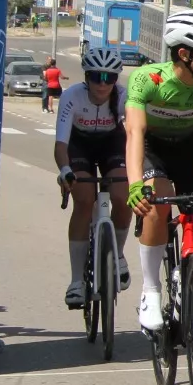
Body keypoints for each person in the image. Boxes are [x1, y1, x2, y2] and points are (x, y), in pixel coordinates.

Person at [125, 10, 193, 332]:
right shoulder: (148, 79)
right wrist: (135, 184)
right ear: (184, 54)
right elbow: (135, 133)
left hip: (189, 145)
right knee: (156, 205)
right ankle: (150, 290)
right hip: (152, 147)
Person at [54, 47, 131, 308]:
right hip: (80, 147)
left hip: (111, 144)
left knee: (123, 196)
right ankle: (76, 281)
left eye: (110, 78)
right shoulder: (72, 96)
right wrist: (65, 170)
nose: (103, 84)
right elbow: (61, 144)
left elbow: (134, 134)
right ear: (86, 77)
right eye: (97, 76)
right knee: (84, 200)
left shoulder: (123, 96)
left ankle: (118, 255)